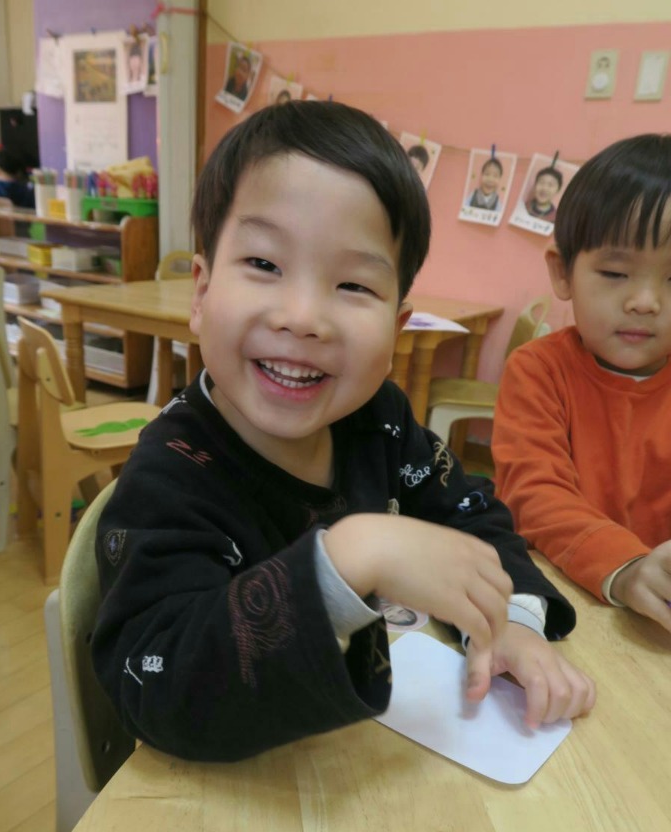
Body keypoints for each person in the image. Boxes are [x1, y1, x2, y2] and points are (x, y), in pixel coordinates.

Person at [91, 101, 595, 762]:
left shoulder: (377, 419)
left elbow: (470, 512)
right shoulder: (171, 473)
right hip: (236, 797)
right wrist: (347, 559)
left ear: (398, 326)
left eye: (353, 285)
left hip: (368, 766)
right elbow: (160, 685)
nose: (303, 317)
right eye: (264, 264)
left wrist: (510, 623)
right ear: (201, 292)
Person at [493, 133, 671, 633]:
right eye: (615, 273)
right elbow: (533, 493)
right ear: (563, 273)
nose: (645, 302)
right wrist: (628, 567)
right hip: (562, 602)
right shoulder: (538, 370)